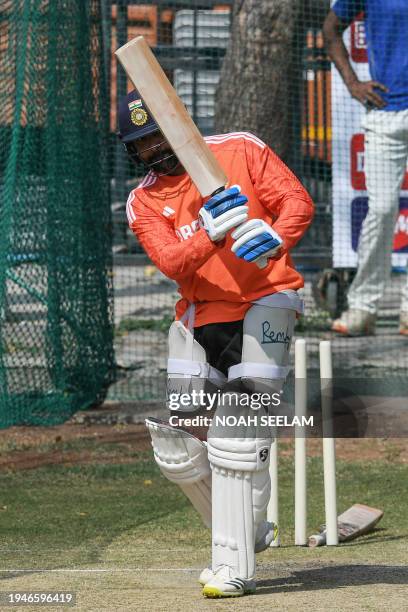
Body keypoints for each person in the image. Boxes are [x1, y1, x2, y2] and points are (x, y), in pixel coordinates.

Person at [118, 89, 314, 598]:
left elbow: (296, 201)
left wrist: (275, 235)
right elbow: (171, 263)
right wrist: (207, 231)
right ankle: (245, 535)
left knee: (238, 435)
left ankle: (234, 567)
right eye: (142, 145)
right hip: (198, 313)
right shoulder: (143, 200)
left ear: (179, 123)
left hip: (265, 299)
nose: (155, 151)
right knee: (178, 445)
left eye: (160, 135)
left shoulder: (238, 148)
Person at [323, 0, 408, 336]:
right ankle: (363, 308)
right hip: (386, 114)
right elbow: (330, 29)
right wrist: (352, 83)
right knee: (382, 210)